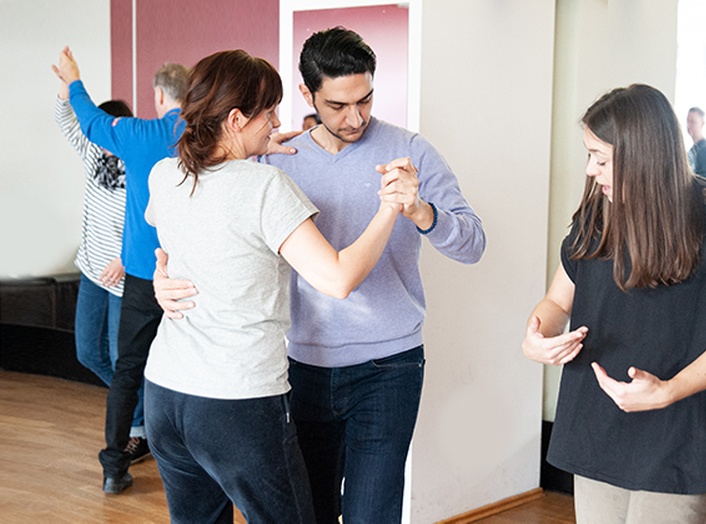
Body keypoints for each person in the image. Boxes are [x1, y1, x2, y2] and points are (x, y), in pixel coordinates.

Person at [154, 27, 486, 523]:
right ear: (307, 94)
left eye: (366, 100)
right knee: (311, 510)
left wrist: (420, 212)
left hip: (387, 369)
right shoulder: (270, 160)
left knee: (371, 515)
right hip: (298, 369)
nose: (356, 118)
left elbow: (474, 244)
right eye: (337, 105)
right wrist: (165, 281)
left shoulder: (411, 152)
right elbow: (203, 235)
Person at [144, 49, 403, 523]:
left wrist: (162, 276)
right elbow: (338, 278)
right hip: (238, 402)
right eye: (269, 112)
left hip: (165, 393)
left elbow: (177, 243)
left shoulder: (166, 175)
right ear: (237, 117)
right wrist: (389, 208)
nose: (278, 121)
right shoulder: (265, 186)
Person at [522, 84, 706, 523]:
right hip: (599, 421)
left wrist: (668, 391)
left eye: (601, 158)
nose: (590, 170)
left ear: (644, 154)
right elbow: (557, 301)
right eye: (589, 155)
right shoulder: (596, 216)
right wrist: (538, 335)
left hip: (682, 429)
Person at [52, 46, 190, 494]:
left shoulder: (139, 134)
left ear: (157, 96)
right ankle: (186, 456)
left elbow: (90, 120)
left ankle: (115, 466)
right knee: (188, 365)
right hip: (192, 274)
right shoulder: (205, 134)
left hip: (142, 277)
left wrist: (73, 80)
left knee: (128, 367)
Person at [54, 82, 151, 459]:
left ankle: (138, 429)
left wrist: (125, 258)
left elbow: (152, 219)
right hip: (91, 269)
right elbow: (67, 123)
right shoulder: (93, 152)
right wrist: (65, 91)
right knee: (87, 354)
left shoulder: (141, 161)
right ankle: (143, 408)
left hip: (125, 276)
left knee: (119, 360)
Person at [687, 107, 706, 180]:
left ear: (702, 124)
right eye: (688, 121)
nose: (688, 125)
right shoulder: (692, 150)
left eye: (692, 122)